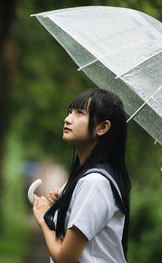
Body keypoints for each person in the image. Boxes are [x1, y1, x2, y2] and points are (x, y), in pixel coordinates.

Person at [32, 88, 131, 263]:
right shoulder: (85, 177)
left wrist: (43, 220)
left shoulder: (95, 182)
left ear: (103, 127)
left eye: (79, 113)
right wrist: (61, 209)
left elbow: (66, 258)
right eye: (69, 112)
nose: (68, 119)